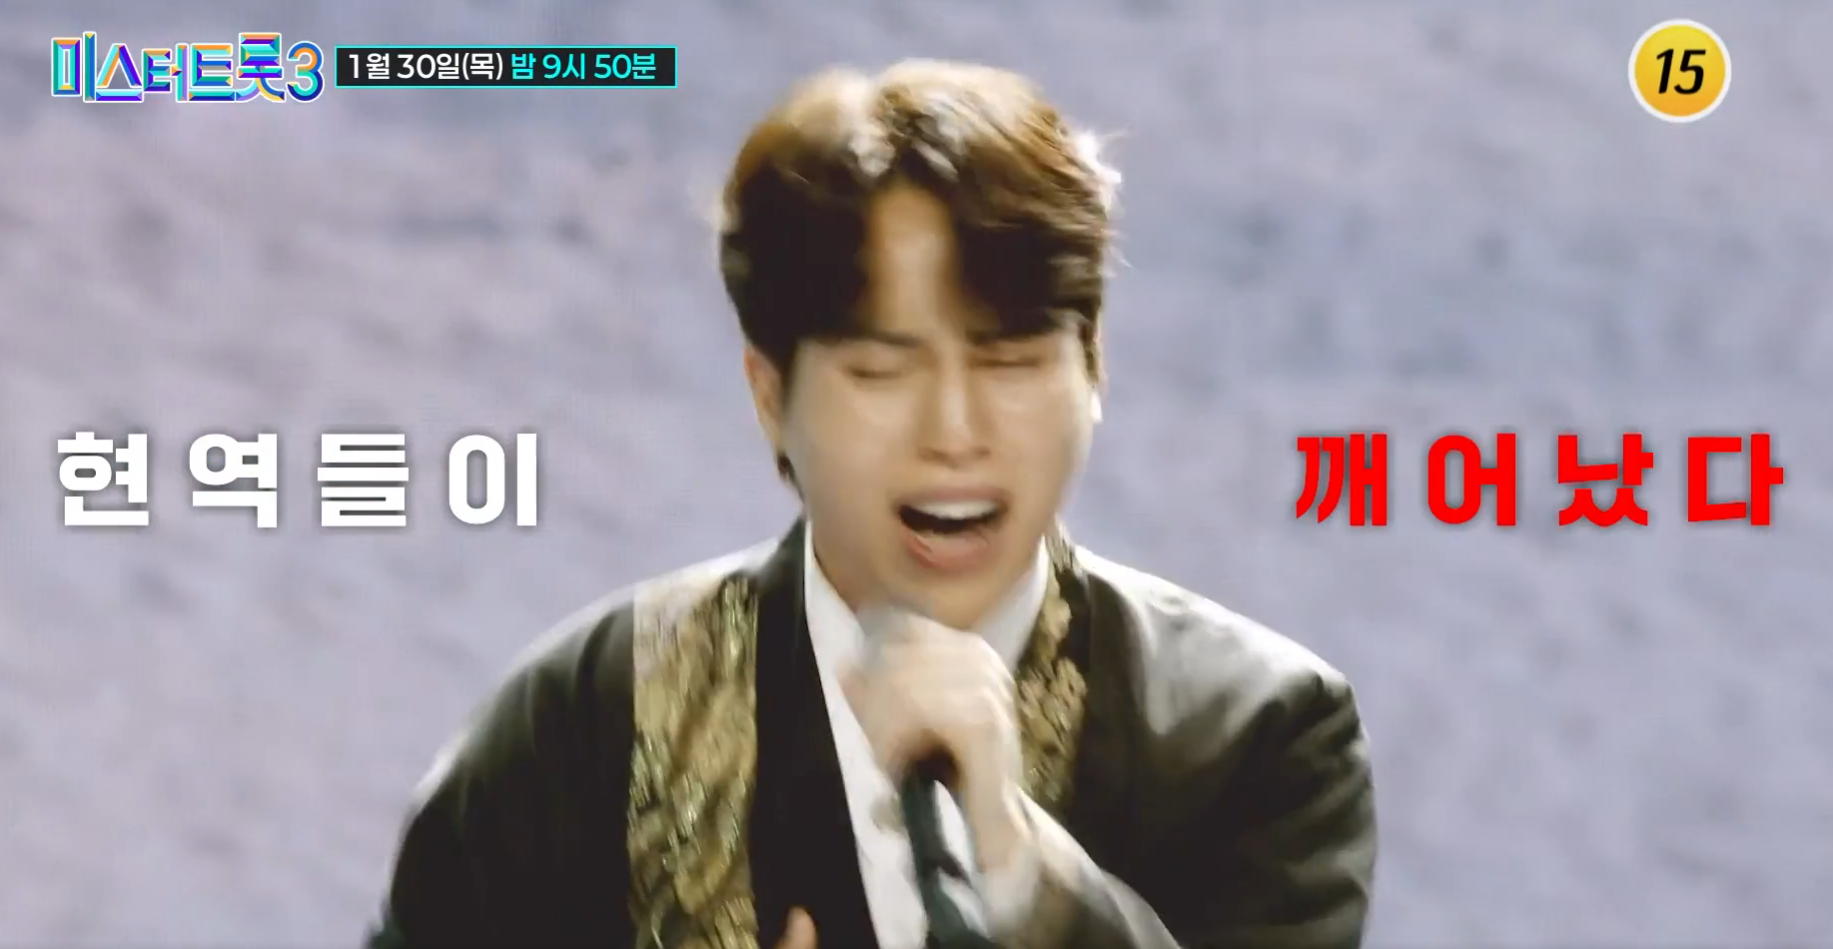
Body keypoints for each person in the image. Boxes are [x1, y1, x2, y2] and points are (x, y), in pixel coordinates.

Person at [366, 59, 1376, 949]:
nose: (955, 431)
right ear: (771, 394)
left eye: (1010, 361)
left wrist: (1020, 865)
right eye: (882, 372)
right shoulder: (585, 722)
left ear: (1094, 365)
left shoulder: (1255, 733)